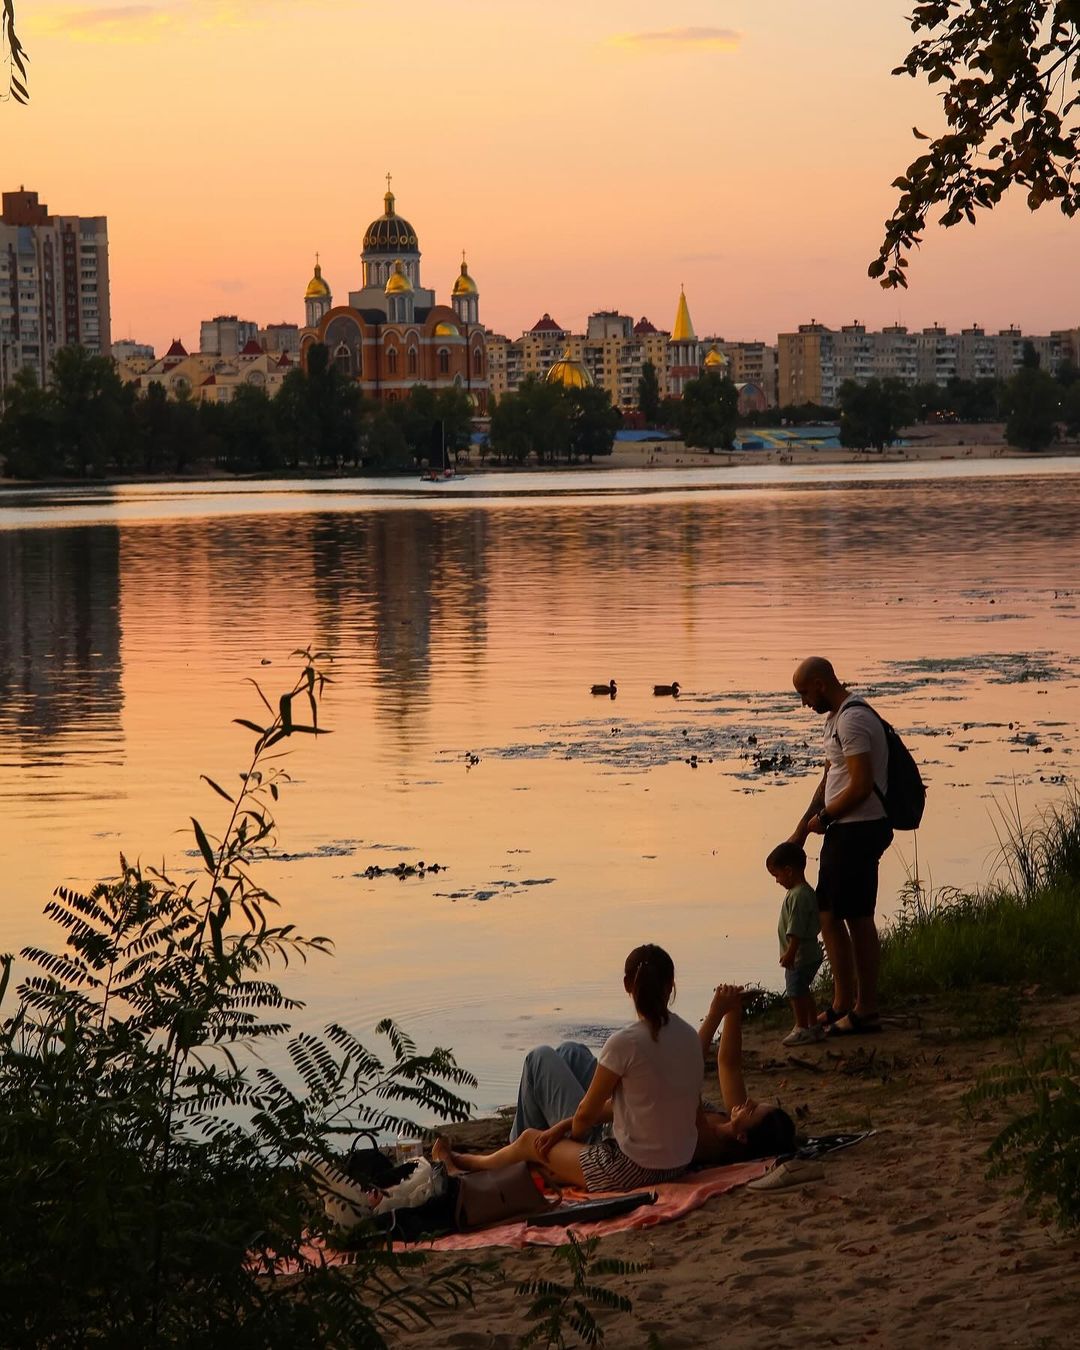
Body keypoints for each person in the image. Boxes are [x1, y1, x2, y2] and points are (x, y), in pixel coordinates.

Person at [440, 978, 795, 1187]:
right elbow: (728, 1064)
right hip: (620, 1120)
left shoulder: (706, 1140)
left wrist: (715, 1013)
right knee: (573, 1051)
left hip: (608, 1140)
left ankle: (513, 1154)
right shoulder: (729, 1120)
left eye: (751, 1110)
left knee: (540, 1059)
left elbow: (689, 1062)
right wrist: (734, 1012)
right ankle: (521, 1147)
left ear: (743, 1136)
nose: (746, 1103)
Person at [434, 945, 704, 1192]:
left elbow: (585, 1117)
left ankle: (474, 1164)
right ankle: (523, 1157)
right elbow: (644, 1102)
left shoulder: (625, 1042)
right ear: (671, 986)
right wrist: (562, 1126)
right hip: (677, 1162)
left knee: (534, 1092)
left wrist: (567, 1137)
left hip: (630, 1170)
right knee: (571, 1052)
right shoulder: (691, 1036)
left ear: (626, 985)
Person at [789, 656, 893, 1035]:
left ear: (820, 683)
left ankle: (865, 1010)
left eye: (803, 693)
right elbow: (831, 776)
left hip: (859, 829)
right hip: (842, 830)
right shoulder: (835, 721)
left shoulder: (854, 719)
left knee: (857, 917)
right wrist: (802, 828)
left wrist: (827, 817)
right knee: (828, 914)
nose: (803, 703)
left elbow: (861, 785)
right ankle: (841, 1003)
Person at [766, 841, 824, 1047]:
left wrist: (790, 954)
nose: (777, 881)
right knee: (803, 990)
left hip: (799, 956)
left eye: (777, 875)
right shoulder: (803, 892)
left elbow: (796, 930)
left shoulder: (799, 896)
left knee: (795, 992)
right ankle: (813, 1025)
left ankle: (801, 1027)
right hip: (808, 953)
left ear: (789, 871)